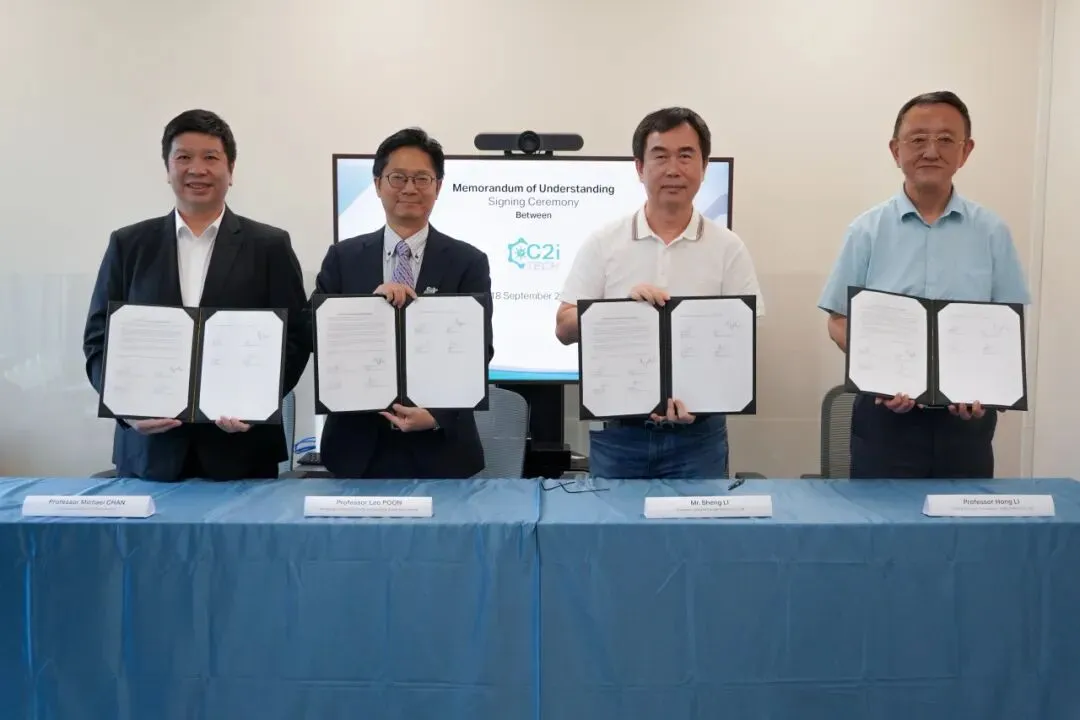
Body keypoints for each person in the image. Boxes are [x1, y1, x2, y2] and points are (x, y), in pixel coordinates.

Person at [83, 109, 311, 481]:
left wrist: (257, 405)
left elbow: (297, 339)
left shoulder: (269, 245)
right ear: (168, 168)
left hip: (241, 451)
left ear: (230, 169)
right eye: (184, 157)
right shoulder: (129, 244)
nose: (197, 169)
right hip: (149, 451)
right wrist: (126, 408)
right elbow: (98, 339)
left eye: (210, 157)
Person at [818, 91, 1030, 478]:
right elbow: (838, 321)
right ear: (895, 150)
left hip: (967, 422)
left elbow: (1006, 326)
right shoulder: (866, 231)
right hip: (884, 419)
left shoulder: (992, 233)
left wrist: (984, 386)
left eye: (946, 139)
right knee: (881, 517)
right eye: (917, 139)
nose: (931, 151)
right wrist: (880, 371)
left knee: (962, 516)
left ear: (965, 151)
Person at [555, 107, 764, 479]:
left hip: (699, 437)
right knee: (612, 520)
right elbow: (563, 327)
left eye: (685, 155)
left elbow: (741, 339)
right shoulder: (604, 242)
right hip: (619, 436)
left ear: (704, 166)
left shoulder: (728, 248)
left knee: (697, 521)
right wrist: (618, 312)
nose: (673, 169)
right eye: (660, 156)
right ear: (639, 167)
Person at [314, 127, 493, 479]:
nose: (410, 188)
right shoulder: (342, 258)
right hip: (356, 447)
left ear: (438, 187)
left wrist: (437, 415)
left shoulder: (468, 262)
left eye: (422, 178)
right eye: (398, 177)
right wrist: (368, 311)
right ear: (377, 184)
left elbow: (479, 351)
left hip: (441, 449)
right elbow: (316, 337)